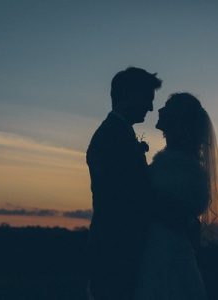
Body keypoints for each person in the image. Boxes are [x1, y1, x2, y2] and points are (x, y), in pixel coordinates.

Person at [134, 93, 218, 300]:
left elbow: (174, 212)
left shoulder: (183, 166)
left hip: (165, 252)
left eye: (167, 107)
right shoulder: (172, 160)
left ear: (179, 119)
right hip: (154, 248)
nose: (160, 110)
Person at [86, 67, 162, 300]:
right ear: (129, 94)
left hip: (120, 248)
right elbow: (126, 199)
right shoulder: (111, 137)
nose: (150, 108)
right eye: (148, 99)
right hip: (116, 249)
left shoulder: (119, 133)